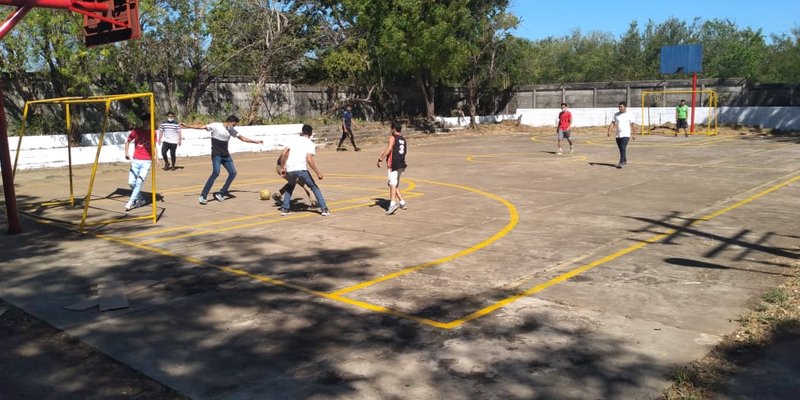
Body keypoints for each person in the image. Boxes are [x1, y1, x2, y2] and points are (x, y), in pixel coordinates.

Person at [182, 115, 263, 204]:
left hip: (226, 155)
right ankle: (203, 196)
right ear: (229, 121)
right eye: (234, 124)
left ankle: (221, 193)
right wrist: (187, 126)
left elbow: (242, 138)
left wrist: (255, 141)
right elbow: (201, 127)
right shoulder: (216, 126)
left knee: (233, 173)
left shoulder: (231, 130)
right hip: (216, 155)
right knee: (216, 172)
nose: (234, 127)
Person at [278, 124, 331, 216]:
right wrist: (318, 172)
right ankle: (324, 209)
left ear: (302, 132)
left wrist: (283, 167)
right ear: (310, 133)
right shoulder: (310, 143)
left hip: (290, 169)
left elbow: (283, 153)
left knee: (290, 186)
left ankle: (284, 209)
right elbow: (309, 159)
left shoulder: (293, 140)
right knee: (314, 187)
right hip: (301, 170)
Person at [123, 114, 153, 211]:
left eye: (148, 121)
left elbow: (154, 146)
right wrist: (126, 153)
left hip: (147, 161)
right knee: (131, 182)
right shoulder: (136, 131)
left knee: (139, 182)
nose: (146, 123)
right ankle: (141, 199)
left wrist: (156, 158)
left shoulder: (153, 132)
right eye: (145, 121)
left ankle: (130, 202)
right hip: (136, 160)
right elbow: (127, 141)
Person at [377, 121, 408, 215]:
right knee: (394, 184)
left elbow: (390, 148)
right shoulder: (403, 139)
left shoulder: (392, 137)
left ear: (393, 129)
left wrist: (380, 159)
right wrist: (383, 153)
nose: (390, 129)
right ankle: (402, 202)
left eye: (390, 128)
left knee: (392, 184)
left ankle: (392, 203)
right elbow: (393, 149)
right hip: (401, 164)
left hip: (394, 164)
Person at [607, 102, 636, 169]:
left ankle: (621, 162)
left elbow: (632, 125)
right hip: (618, 135)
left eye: (621, 107)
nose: (619, 108)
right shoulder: (616, 114)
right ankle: (625, 160)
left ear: (625, 107)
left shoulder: (630, 114)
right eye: (619, 107)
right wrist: (609, 131)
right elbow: (612, 123)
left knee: (623, 147)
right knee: (621, 148)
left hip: (626, 134)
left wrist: (634, 134)